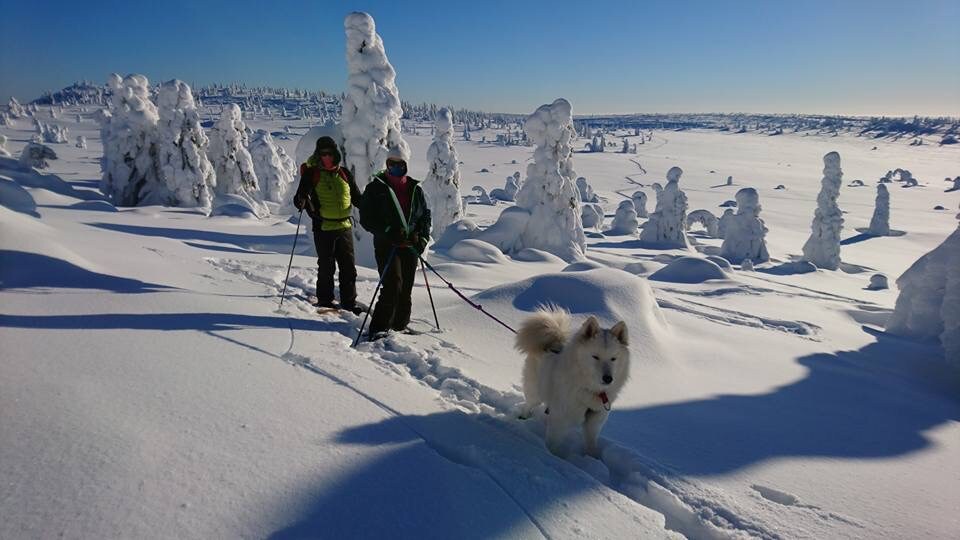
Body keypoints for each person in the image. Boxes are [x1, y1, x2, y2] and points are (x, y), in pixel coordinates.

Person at [359, 147, 431, 339]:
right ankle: (379, 328)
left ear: (406, 165)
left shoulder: (415, 189)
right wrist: (389, 232)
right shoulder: (375, 188)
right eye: (391, 164)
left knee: (406, 287)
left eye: (399, 164)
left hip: (410, 246)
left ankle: (400, 325)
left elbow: (424, 216)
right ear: (386, 165)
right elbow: (366, 219)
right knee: (392, 285)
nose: (395, 168)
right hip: (387, 245)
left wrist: (421, 238)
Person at [293, 136, 364, 314]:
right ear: (318, 155)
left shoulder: (345, 173)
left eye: (329, 153)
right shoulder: (312, 173)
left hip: (344, 226)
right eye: (323, 153)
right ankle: (325, 300)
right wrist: (301, 200)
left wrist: (372, 204)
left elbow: (357, 198)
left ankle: (349, 302)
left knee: (348, 267)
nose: (326, 157)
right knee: (326, 266)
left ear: (335, 154)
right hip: (323, 227)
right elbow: (299, 196)